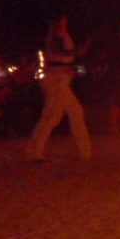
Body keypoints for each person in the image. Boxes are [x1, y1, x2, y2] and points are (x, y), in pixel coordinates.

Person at [26, 15, 92, 161]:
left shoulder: (62, 35)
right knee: (52, 115)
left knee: (75, 113)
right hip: (56, 79)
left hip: (61, 79)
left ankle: (85, 152)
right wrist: (77, 52)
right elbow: (57, 52)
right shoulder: (55, 35)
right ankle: (33, 152)